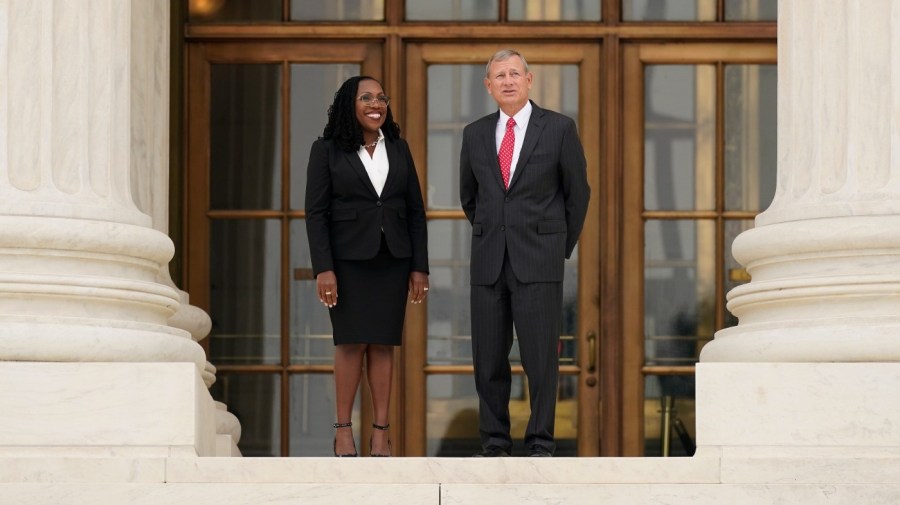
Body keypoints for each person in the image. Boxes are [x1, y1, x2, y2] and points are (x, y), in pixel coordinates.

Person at [459, 49, 590, 457]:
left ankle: (540, 442)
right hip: (489, 262)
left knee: (540, 361)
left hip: (539, 260)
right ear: (489, 86)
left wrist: (557, 248)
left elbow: (578, 194)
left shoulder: (559, 128)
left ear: (529, 80)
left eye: (515, 73)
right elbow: (470, 197)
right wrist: (493, 234)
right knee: (489, 360)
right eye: (500, 76)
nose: (508, 81)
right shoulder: (475, 133)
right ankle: (495, 442)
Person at [305, 75, 429, 457]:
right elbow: (315, 213)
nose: (376, 104)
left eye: (381, 98)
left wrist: (419, 267)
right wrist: (323, 268)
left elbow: (414, 212)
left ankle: (380, 432)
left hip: (393, 258)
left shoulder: (400, 148)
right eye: (366, 97)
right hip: (346, 262)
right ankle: (343, 431)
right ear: (349, 104)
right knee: (350, 342)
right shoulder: (326, 150)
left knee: (382, 343)